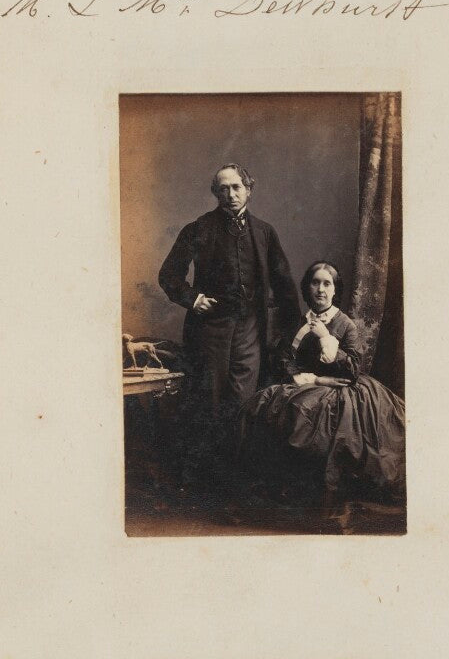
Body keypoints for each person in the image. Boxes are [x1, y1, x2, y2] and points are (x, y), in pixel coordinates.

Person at [239, 260, 406, 505]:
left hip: (340, 390)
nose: (320, 289)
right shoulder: (300, 322)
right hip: (307, 384)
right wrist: (314, 379)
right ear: (307, 287)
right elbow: (284, 360)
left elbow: (353, 370)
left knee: (315, 421)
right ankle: (285, 489)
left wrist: (326, 337)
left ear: (335, 290)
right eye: (315, 283)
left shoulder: (345, 325)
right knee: (261, 407)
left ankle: (321, 493)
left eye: (327, 284)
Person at [158, 163, 300, 414]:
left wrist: (291, 331)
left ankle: (239, 442)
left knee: (243, 400)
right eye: (223, 189)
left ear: (248, 190)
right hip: (210, 329)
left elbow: (284, 284)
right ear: (216, 193)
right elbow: (169, 275)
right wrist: (194, 299)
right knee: (210, 400)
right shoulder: (199, 228)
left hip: (250, 329)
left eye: (236, 187)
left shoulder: (264, 232)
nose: (231, 195)